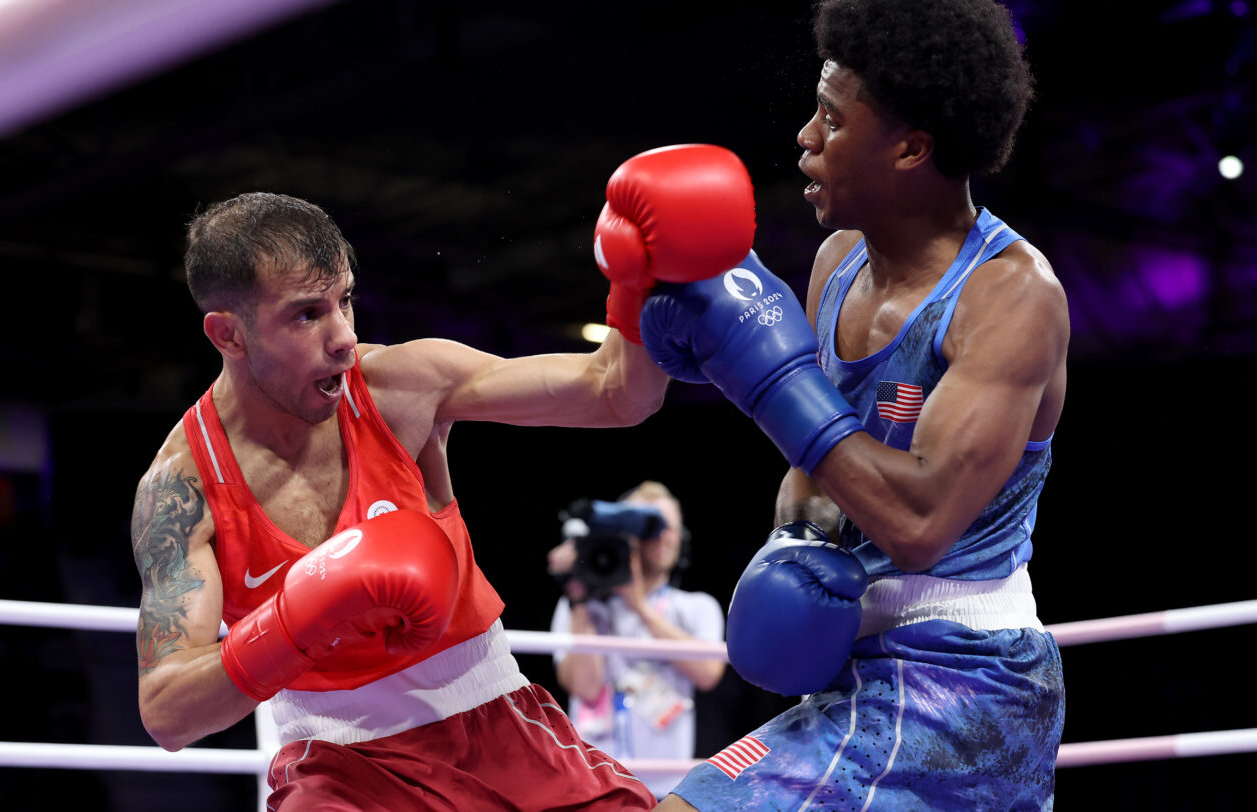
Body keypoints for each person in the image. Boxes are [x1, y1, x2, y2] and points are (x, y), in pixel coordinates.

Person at [128, 142, 758, 810]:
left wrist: (639, 287)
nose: (342, 335)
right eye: (308, 314)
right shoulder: (182, 489)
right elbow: (168, 713)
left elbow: (616, 396)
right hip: (338, 770)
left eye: (345, 301)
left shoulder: (399, 386)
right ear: (227, 335)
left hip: (501, 727)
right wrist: (297, 620)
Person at [638, 0, 1069, 809]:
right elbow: (817, 471)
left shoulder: (1010, 297)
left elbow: (918, 523)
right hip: (860, 671)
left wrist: (760, 376)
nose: (805, 136)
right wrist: (787, 544)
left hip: (963, 679)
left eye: (832, 121)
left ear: (911, 148)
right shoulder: (837, 262)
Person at [546, 481, 726, 798]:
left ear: (682, 537)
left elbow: (708, 673)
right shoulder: (580, 608)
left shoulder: (697, 607)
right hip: (591, 785)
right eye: (651, 525)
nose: (662, 535)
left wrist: (639, 605)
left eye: (670, 527)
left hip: (666, 790)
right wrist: (579, 598)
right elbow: (585, 687)